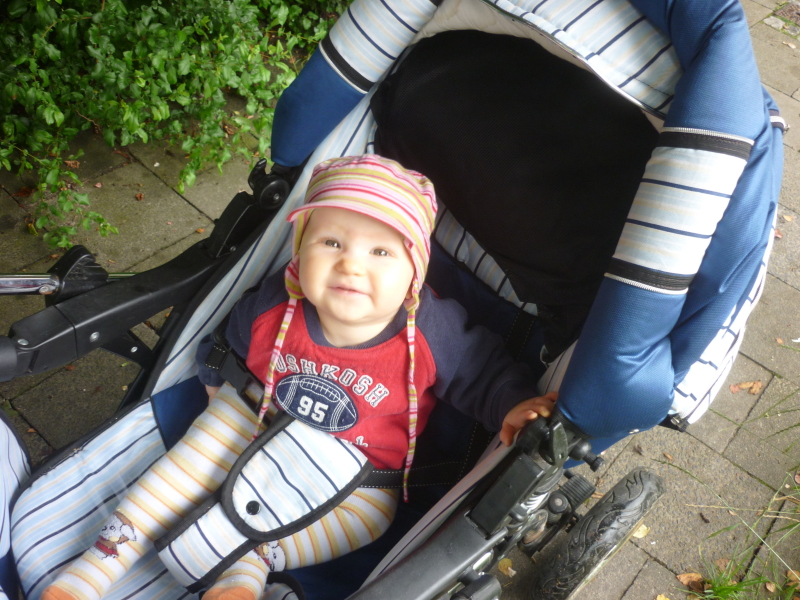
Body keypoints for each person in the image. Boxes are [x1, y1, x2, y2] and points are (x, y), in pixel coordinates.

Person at [41, 154, 557, 600]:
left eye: (380, 252)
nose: (351, 265)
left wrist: (512, 404)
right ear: (301, 251)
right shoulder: (277, 302)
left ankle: (251, 564)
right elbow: (230, 342)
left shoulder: (430, 332)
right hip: (258, 414)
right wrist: (213, 386)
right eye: (331, 242)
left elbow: (480, 373)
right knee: (188, 464)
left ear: (414, 273)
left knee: (370, 519)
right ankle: (98, 564)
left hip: (361, 468)